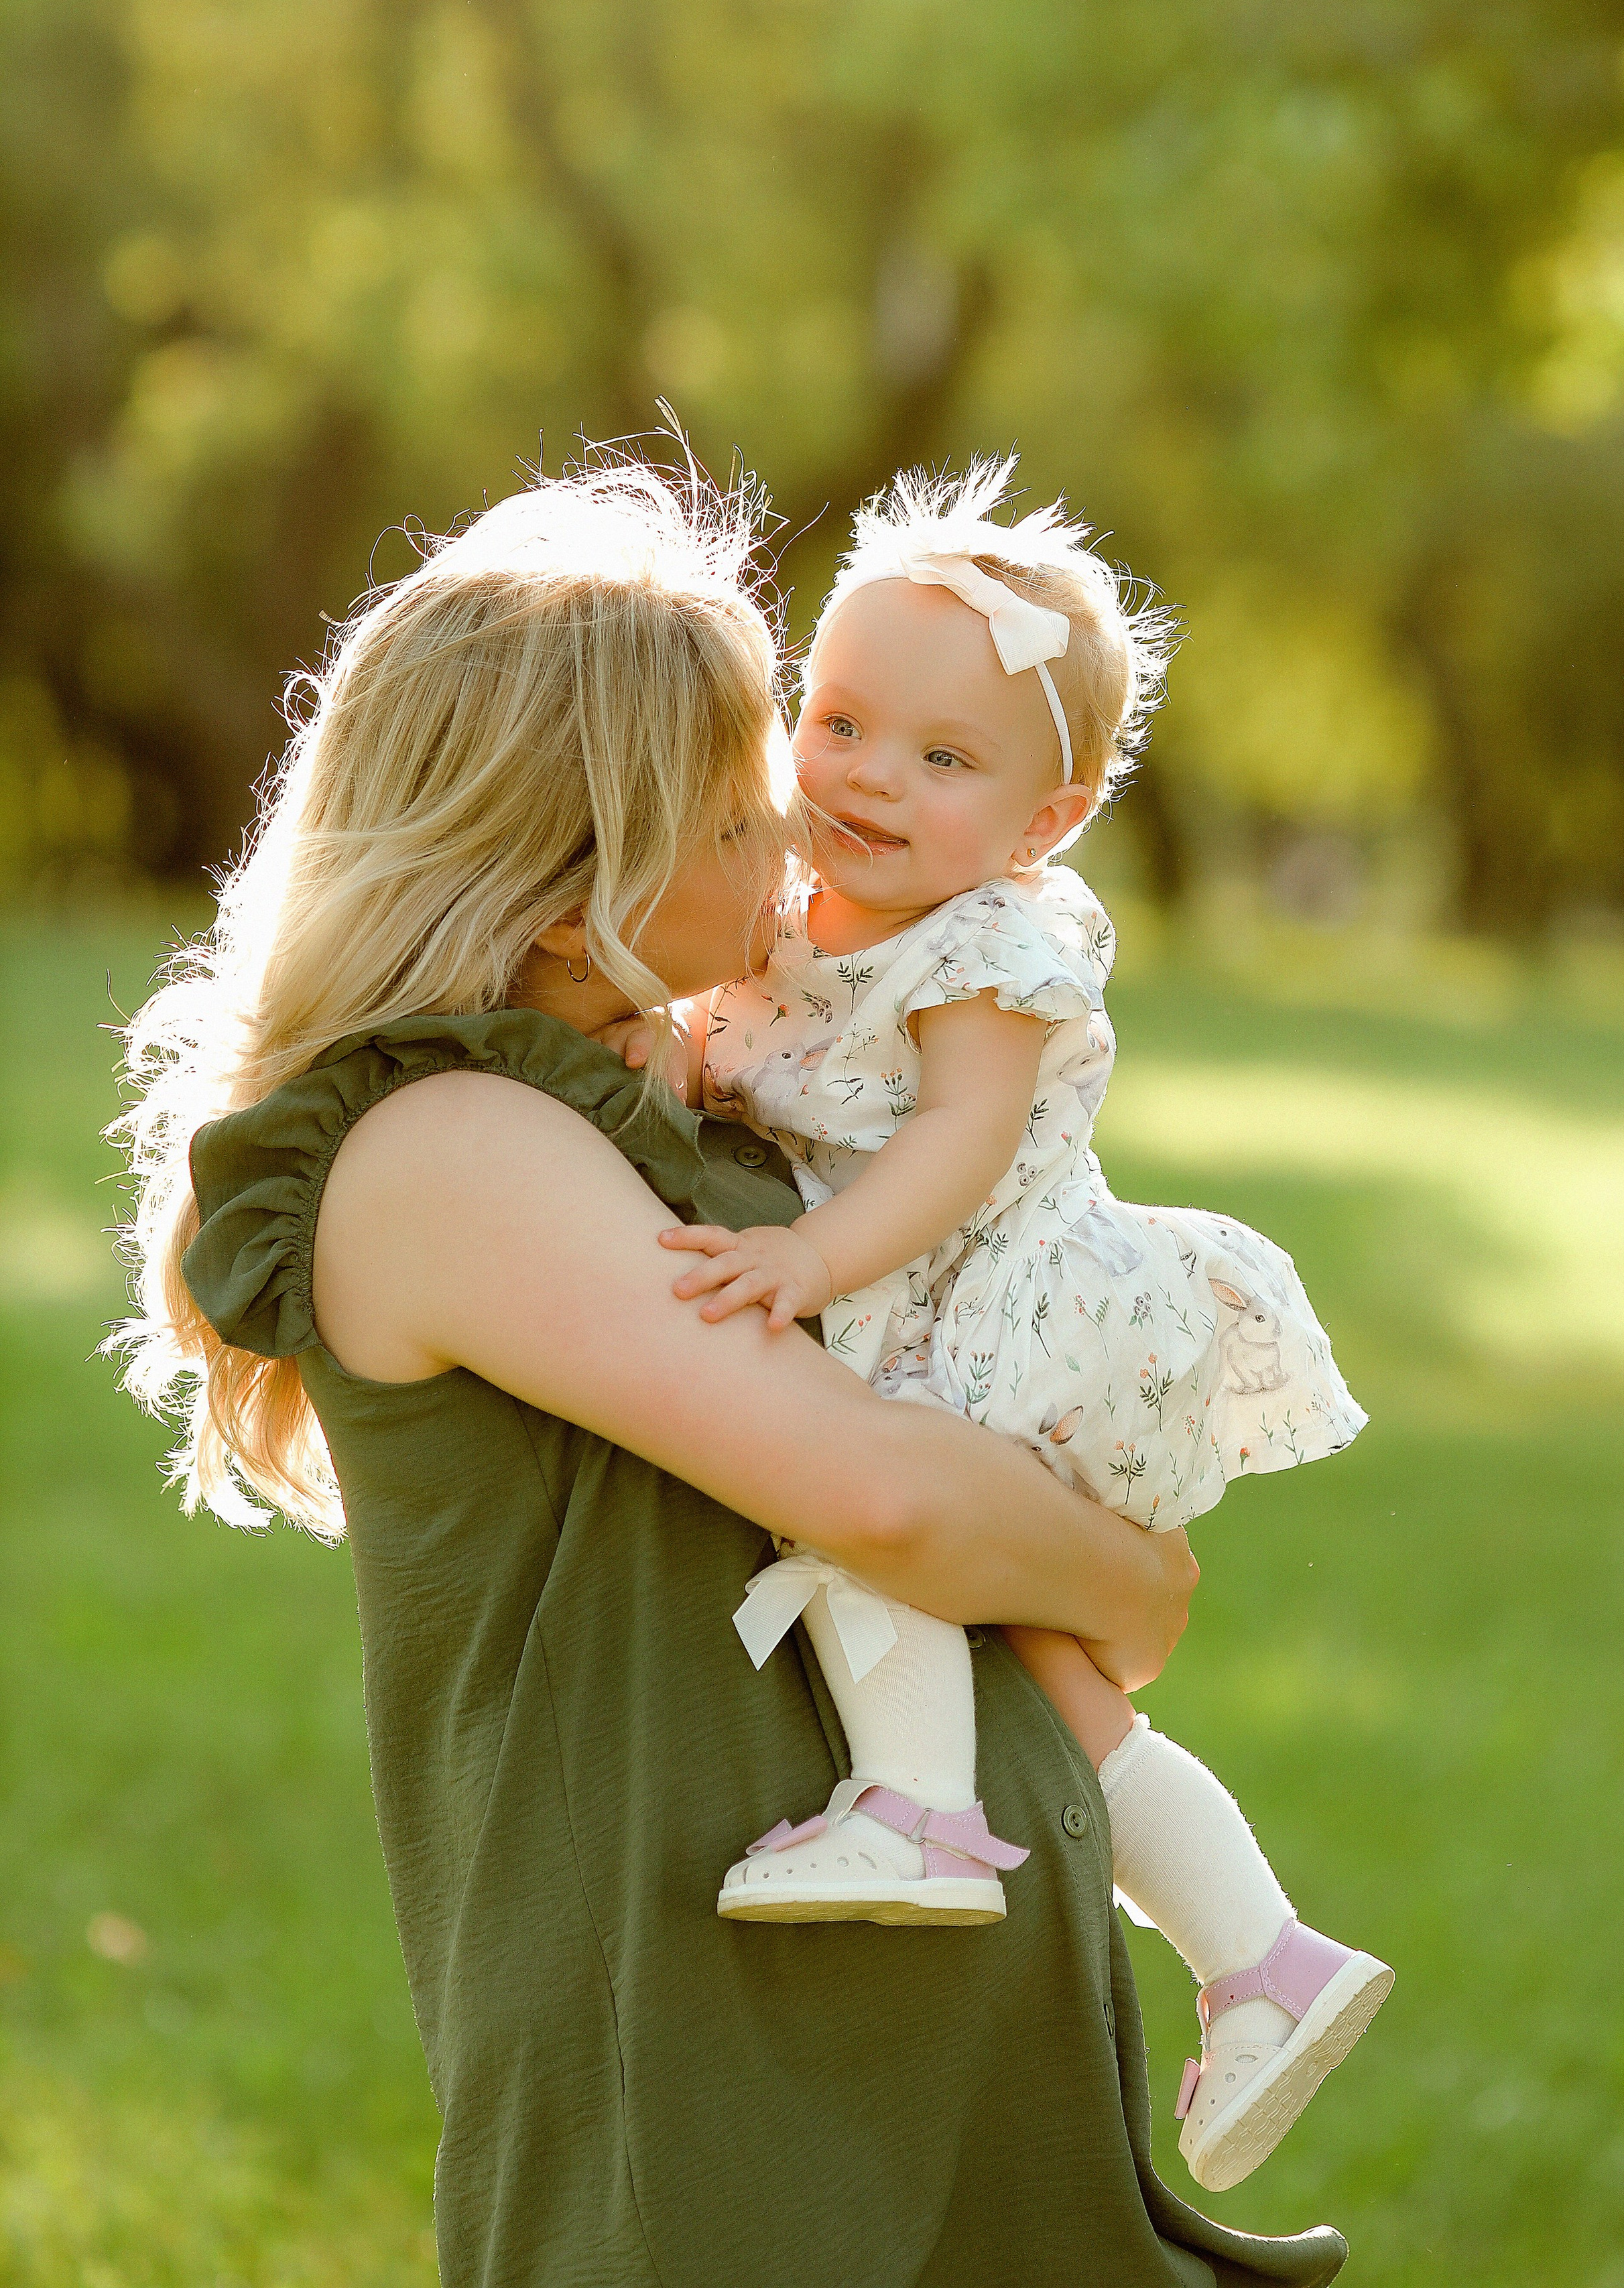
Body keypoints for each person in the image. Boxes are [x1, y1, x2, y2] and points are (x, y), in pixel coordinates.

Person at [111, 458, 1349, 2288]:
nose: (798, 847)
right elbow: (890, 1494)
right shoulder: (455, 1145)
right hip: (692, 2023)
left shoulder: (665, 1104)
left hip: (895, 1953)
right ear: (569, 870)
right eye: (738, 815)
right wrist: (1124, 1570)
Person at [658, 460, 1391, 2195]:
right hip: (930, 1291)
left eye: (942, 758)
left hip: (1004, 1305)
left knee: (857, 1489)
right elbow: (750, 1046)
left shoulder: (993, 946)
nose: (866, 777)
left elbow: (952, 1144)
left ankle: (914, 1810)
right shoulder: (798, 914)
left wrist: (813, 1262)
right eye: (837, 720)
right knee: (1062, 1696)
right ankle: (1265, 1956)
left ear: (1044, 822)